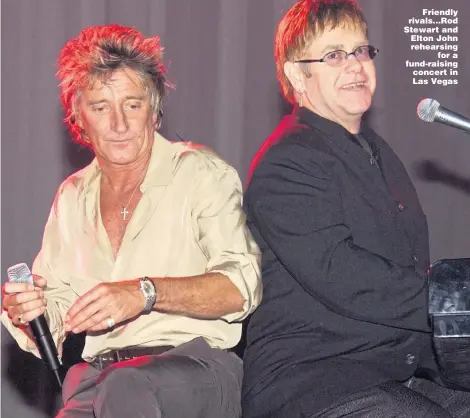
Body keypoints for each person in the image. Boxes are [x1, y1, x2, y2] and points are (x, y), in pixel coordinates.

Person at [1, 24, 262, 418]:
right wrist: (29, 311)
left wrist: (144, 292)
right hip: (98, 381)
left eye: (133, 104)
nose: (119, 124)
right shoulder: (72, 198)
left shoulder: (200, 174)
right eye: (101, 107)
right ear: (79, 117)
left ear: (154, 110)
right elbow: (57, 313)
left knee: (125, 387)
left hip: (198, 370)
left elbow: (241, 287)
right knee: (106, 391)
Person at [241, 1, 470, 417]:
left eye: (362, 51)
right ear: (298, 73)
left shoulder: (377, 154)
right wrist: (456, 301)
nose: (355, 65)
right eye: (334, 55)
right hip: (309, 381)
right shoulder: (287, 162)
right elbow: (345, 275)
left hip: (388, 372)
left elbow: (410, 274)